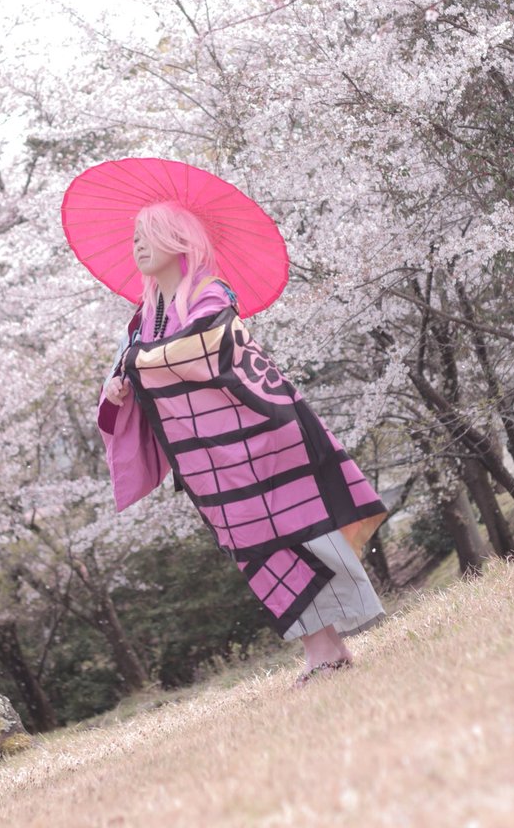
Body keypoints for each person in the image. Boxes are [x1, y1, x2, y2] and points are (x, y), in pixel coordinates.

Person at [98, 200, 387, 684]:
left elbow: (204, 348)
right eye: (134, 238)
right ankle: (326, 649)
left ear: (179, 238)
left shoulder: (211, 295)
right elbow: (134, 362)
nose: (138, 245)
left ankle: (324, 652)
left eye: (149, 234)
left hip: (260, 437)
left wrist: (137, 363)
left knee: (293, 535)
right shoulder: (145, 317)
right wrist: (117, 384)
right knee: (256, 550)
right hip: (207, 458)